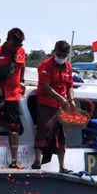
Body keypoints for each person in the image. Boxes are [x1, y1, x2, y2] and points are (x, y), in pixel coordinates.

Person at [0, 27, 27, 168]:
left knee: (14, 127)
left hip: (13, 95)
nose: (17, 48)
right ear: (8, 40)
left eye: (19, 45)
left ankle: (14, 160)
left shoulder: (21, 51)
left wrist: (22, 81)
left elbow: (22, 67)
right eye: (14, 44)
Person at [33, 40, 76, 172]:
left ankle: (62, 167)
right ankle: (37, 161)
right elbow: (45, 87)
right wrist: (61, 98)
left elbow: (69, 86)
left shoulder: (68, 66)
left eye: (64, 55)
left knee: (61, 134)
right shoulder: (45, 65)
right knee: (44, 129)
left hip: (62, 105)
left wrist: (71, 100)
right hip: (46, 103)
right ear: (54, 51)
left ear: (68, 54)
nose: (61, 57)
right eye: (59, 54)